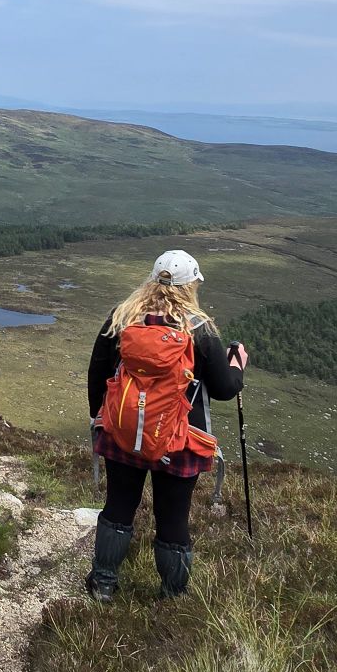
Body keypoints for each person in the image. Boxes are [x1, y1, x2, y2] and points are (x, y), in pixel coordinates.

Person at [84, 247, 248, 602]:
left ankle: (103, 583)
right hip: (180, 440)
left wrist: (102, 416)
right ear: (192, 285)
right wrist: (238, 365)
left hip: (123, 434)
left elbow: (97, 372)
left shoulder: (122, 317)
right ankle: (173, 596)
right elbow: (223, 389)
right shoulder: (199, 329)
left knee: (118, 506)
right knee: (173, 519)